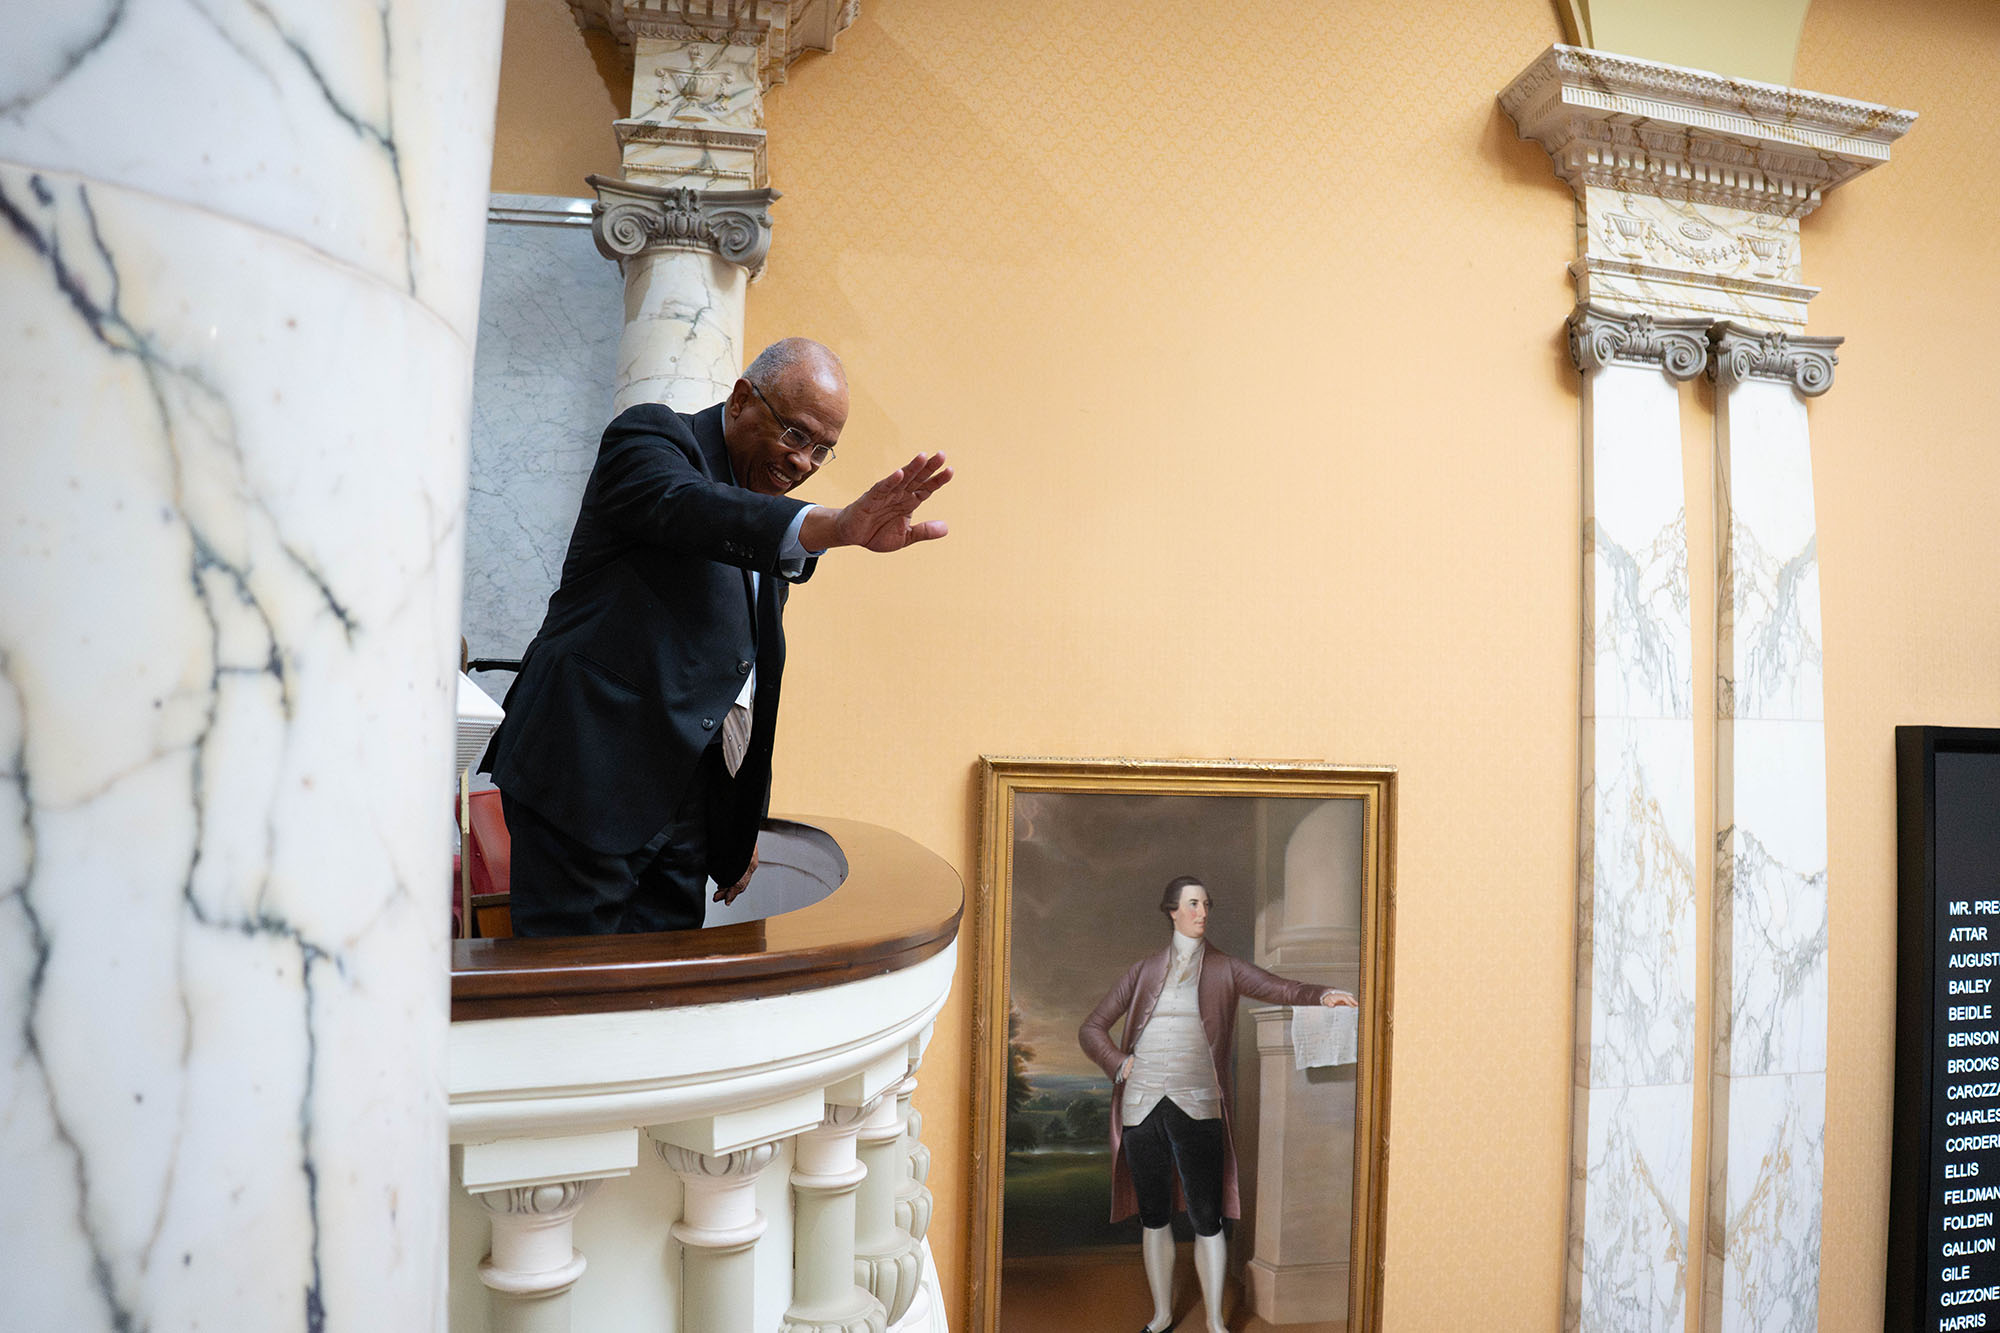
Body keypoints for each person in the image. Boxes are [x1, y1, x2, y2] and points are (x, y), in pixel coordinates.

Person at [481, 338, 950, 936]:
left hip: (685, 815)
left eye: (822, 451)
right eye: (796, 435)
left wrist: (736, 817)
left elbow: (743, 682)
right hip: (585, 779)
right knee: (569, 1001)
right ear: (742, 399)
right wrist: (831, 525)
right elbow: (689, 509)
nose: (804, 463)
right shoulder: (653, 440)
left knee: (668, 1003)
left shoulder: (766, 518)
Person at [1079, 876, 1357, 1333]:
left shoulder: (1226, 968)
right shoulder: (1143, 970)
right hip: (1142, 1106)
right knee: (1154, 1217)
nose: (1202, 913)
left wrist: (1322, 994)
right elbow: (1092, 1028)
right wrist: (1118, 1063)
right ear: (1172, 911)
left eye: (1206, 904)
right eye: (1193, 904)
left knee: (1208, 1218)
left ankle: (1213, 1321)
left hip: (1199, 1104)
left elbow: (1279, 988)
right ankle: (1163, 1314)